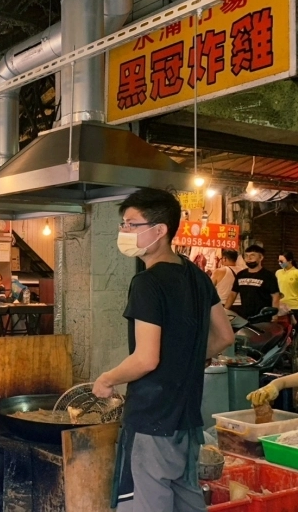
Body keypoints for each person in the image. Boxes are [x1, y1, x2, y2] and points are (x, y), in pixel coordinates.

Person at [92, 188, 234, 512]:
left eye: (131, 224)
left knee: (150, 502)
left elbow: (146, 358)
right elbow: (224, 335)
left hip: (153, 417)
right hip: (186, 417)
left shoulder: (148, 282)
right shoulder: (197, 275)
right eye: (122, 224)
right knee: (187, 498)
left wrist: (107, 378)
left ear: (159, 230)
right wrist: (185, 358)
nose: (123, 232)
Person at [227, 245, 282, 319]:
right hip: (245, 317)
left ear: (261, 258)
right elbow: (233, 294)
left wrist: (274, 316)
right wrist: (225, 310)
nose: (248, 258)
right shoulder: (241, 275)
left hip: (263, 317)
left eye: (252, 256)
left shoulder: (268, 276)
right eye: (246, 256)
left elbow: (275, 296)